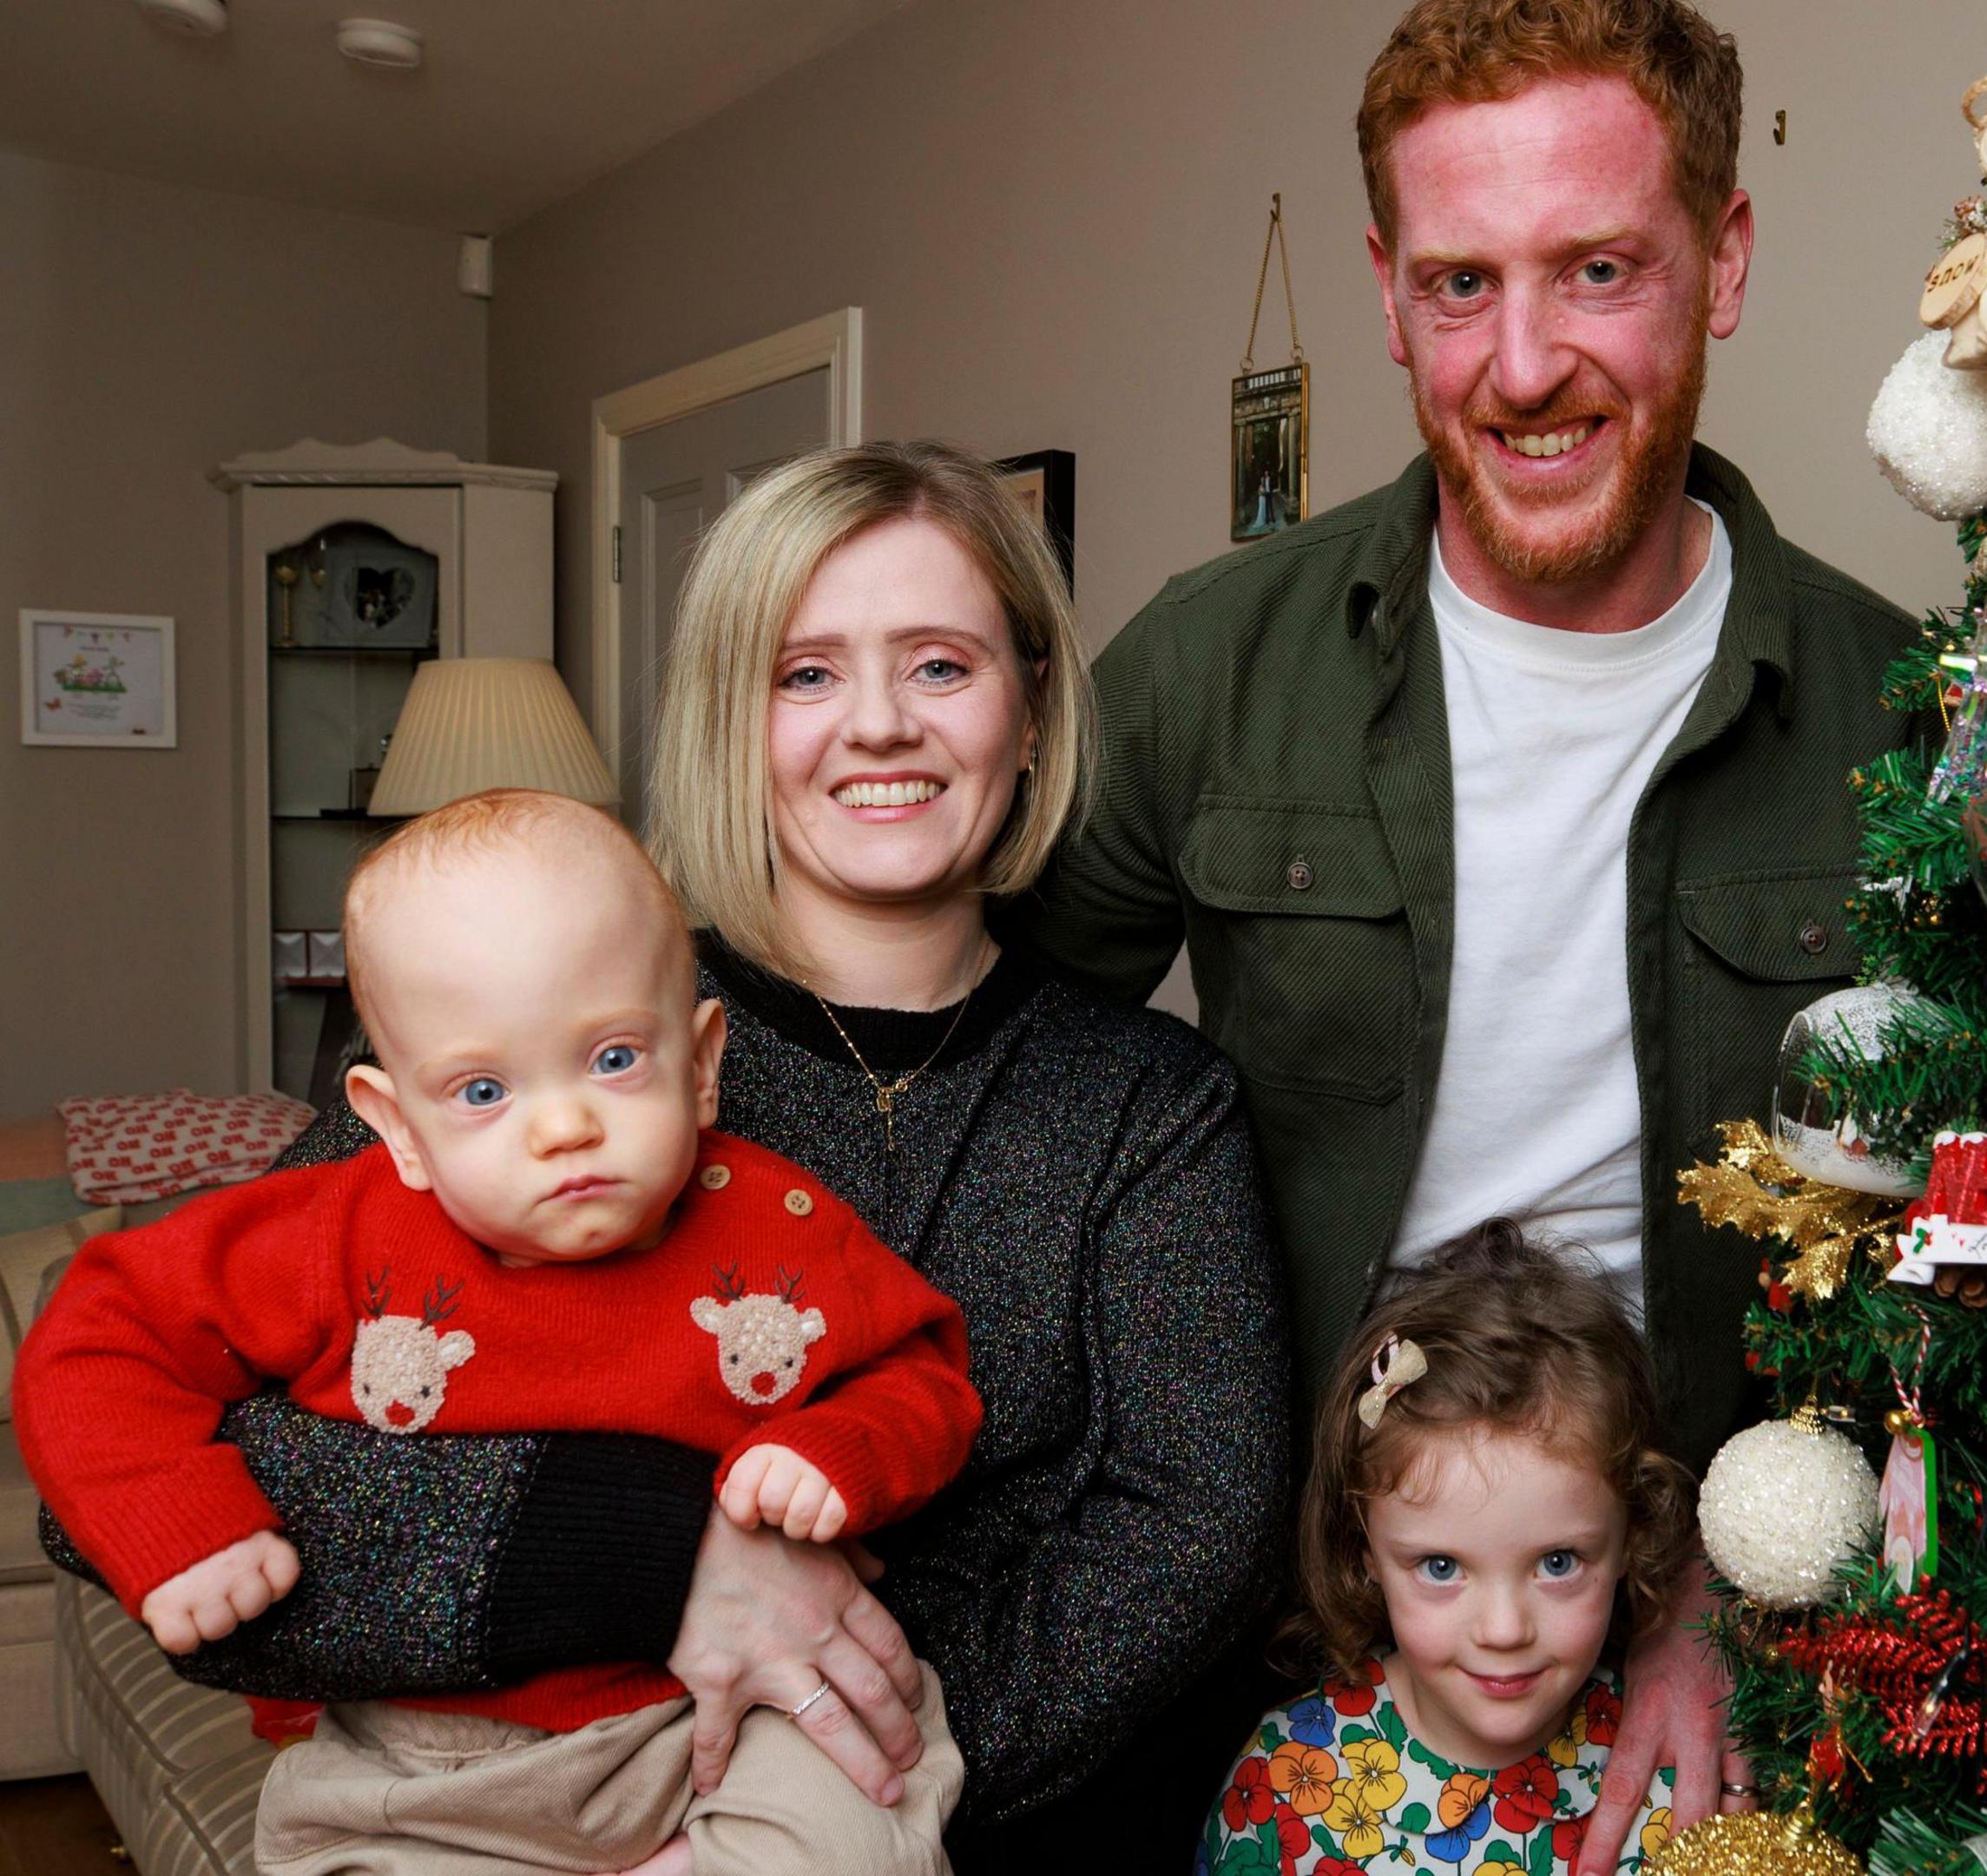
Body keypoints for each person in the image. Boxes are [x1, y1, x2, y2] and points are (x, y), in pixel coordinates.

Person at [135, 442, 1293, 1873]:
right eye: (804, 674)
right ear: (730, 718)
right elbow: (147, 1456)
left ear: (1035, 706)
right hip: (494, 1812)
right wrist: (650, 1558)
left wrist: (819, 1782)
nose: (878, 727)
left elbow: (1190, 1538)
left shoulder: (1148, 1102)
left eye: (941, 665)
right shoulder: (545, 1037)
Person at [1030, 7, 1918, 1862]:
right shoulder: (1210, 667)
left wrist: (1722, 1609)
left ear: (1724, 260)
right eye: (1459, 283)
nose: (1524, 366)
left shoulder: (1900, 716)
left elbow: (1969, 1257)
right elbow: (995, 1075)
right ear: (1384, 292)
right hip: (1261, 1594)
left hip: (1688, 1605)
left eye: (1599, 271)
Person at [18, 790, 981, 1874]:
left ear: (701, 1061)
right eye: (482, 1088)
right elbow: (102, 1329)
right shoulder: (332, 1231)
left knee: (862, 1813)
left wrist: (840, 1448)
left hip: (723, 1721)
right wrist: (177, 1516)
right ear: (397, 1127)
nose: (565, 1124)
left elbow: (924, 1369)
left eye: (615, 1058)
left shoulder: (779, 1225)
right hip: (427, 1757)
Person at [1195, 1222, 1692, 1876]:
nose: (1505, 1629)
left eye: (1558, 1561)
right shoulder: (1284, 1788)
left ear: (1632, 1535)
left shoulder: (1673, 1780)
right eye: (1441, 1566)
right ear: (1365, 1549)